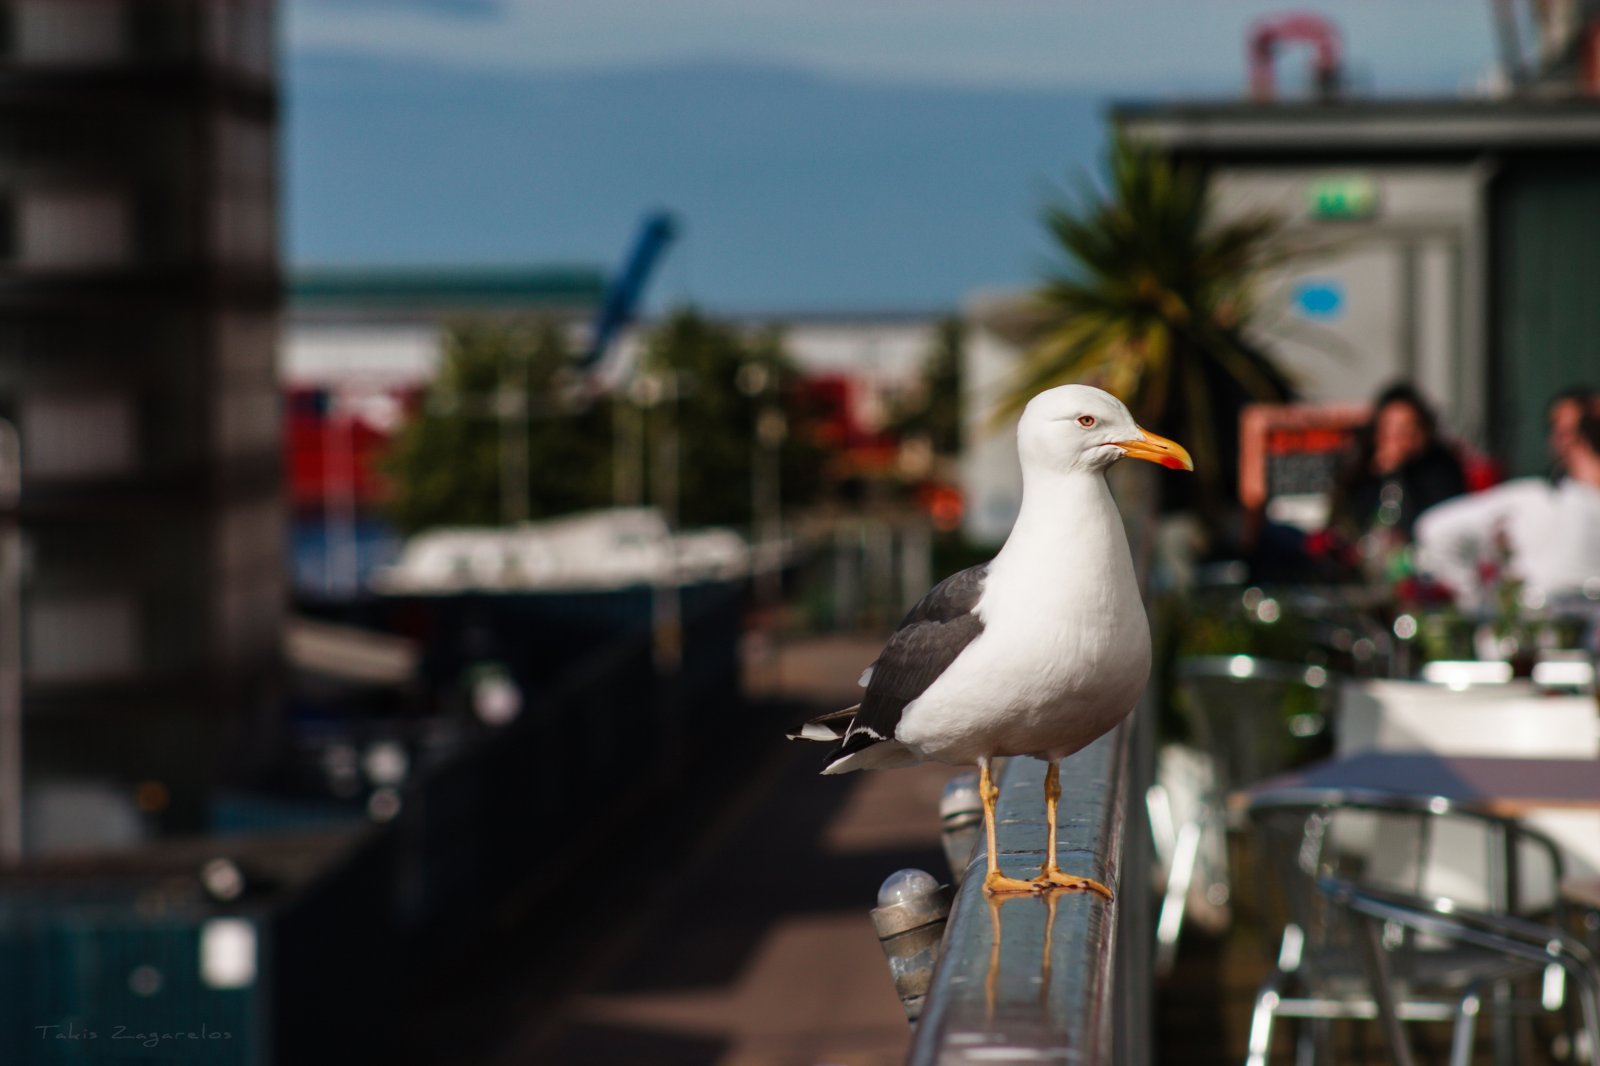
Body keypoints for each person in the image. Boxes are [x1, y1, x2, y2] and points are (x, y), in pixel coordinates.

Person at [1415, 408, 1600, 609]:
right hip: (1536, 626)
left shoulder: (1534, 498)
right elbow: (1436, 530)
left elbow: (1435, 529)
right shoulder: (1536, 499)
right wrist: (1478, 602)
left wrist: (1477, 602)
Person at [1327, 383, 1467, 542]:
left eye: (1405, 431)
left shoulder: (1441, 469)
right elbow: (1351, 521)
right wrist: (1383, 474)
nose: (1397, 440)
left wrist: (1399, 474)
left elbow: (1434, 519)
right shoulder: (1361, 471)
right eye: (1390, 430)